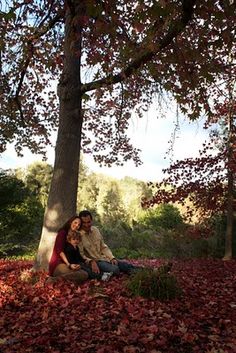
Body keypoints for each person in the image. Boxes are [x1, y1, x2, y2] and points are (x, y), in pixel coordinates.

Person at [78, 210, 141, 276]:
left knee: (124, 265)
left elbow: (103, 247)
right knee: (115, 269)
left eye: (88, 222)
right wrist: (91, 261)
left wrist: (111, 258)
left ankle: (145, 272)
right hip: (96, 261)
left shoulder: (95, 230)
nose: (86, 225)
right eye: (84, 223)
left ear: (91, 221)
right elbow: (81, 255)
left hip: (104, 258)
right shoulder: (79, 235)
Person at [48, 215, 88, 284]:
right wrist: (69, 265)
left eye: (78, 225)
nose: (76, 226)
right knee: (83, 275)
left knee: (84, 273)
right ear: (70, 222)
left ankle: (60, 279)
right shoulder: (63, 233)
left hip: (67, 264)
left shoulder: (73, 236)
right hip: (58, 264)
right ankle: (53, 280)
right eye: (75, 222)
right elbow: (60, 251)